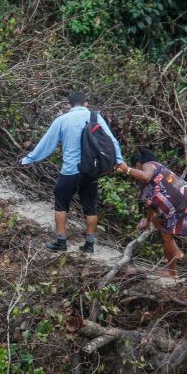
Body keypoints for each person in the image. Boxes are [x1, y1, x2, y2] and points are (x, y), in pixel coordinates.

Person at [20, 92, 123, 254]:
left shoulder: (62, 120)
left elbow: (47, 144)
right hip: (91, 170)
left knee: (61, 203)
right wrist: (119, 160)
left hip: (70, 171)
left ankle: (61, 242)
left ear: (68, 105)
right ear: (86, 104)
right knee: (91, 207)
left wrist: (29, 159)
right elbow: (112, 141)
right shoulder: (95, 117)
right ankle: (89, 245)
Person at [116, 149, 187, 277]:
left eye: (134, 168)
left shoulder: (149, 165)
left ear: (137, 165)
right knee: (159, 224)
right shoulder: (149, 183)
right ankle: (175, 259)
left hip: (179, 201)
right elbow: (151, 208)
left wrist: (127, 169)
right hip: (185, 197)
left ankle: (173, 271)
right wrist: (148, 222)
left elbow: (145, 175)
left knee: (166, 236)